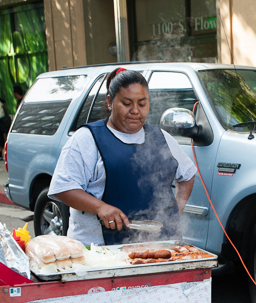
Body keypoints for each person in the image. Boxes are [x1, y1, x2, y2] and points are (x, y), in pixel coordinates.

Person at [48, 68, 196, 246]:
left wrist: (175, 211)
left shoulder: (162, 137)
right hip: (99, 249)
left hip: (160, 246)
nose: (135, 110)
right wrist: (100, 207)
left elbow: (187, 175)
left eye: (142, 104)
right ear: (110, 101)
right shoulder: (86, 139)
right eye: (127, 103)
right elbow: (63, 187)